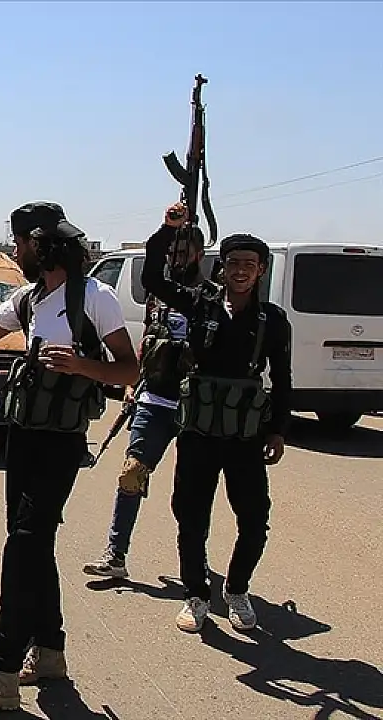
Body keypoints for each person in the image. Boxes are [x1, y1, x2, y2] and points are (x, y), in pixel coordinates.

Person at [0, 202, 138, 711]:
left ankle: (2, 673)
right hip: (24, 438)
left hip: (61, 443)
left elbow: (129, 370)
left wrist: (81, 365)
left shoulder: (95, 298)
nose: (15, 250)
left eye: (19, 242)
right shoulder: (29, 299)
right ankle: (49, 653)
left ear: (40, 243)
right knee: (33, 545)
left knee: (24, 549)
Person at [141, 203, 291, 634]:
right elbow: (153, 279)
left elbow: (282, 378)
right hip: (198, 432)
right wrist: (167, 230)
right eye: (233, 263)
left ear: (261, 271)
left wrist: (278, 430)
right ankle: (196, 595)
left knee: (254, 520)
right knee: (191, 517)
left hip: (245, 435)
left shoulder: (272, 320)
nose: (241, 271)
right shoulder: (199, 304)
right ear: (221, 267)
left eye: (250, 265)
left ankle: (237, 589)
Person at [83, 222, 207, 579]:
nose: (176, 260)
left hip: (195, 407)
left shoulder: (209, 298)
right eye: (172, 254)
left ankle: (194, 562)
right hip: (153, 399)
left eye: (183, 253)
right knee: (131, 475)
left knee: (191, 494)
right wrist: (133, 382)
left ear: (199, 255)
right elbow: (150, 340)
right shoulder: (159, 293)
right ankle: (116, 555)